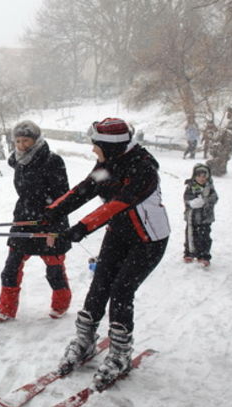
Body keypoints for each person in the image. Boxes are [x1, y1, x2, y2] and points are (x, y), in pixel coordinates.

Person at [43, 117, 170, 389]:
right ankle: (85, 341)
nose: (92, 150)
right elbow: (86, 189)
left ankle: (121, 354)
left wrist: (79, 229)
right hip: (119, 234)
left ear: (110, 147)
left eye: (96, 146)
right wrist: (53, 212)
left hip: (149, 240)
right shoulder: (108, 165)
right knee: (99, 285)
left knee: (122, 291)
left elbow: (116, 205)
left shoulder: (143, 170)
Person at [0, 120, 73, 322]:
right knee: (11, 267)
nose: (21, 145)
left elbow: (63, 196)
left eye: (26, 140)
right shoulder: (19, 161)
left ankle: (61, 303)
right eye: (17, 141)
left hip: (50, 221)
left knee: (54, 269)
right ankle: (6, 308)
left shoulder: (53, 161)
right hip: (23, 218)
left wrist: (53, 226)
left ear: (36, 140)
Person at [183, 164, 218, 267]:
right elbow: (186, 198)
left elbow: (214, 198)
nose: (201, 179)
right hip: (192, 217)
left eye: (204, 176)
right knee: (190, 235)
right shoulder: (190, 187)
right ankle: (189, 253)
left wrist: (204, 201)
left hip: (205, 218)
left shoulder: (210, 188)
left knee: (204, 236)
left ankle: (203, 255)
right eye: (199, 176)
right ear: (194, 176)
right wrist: (191, 202)